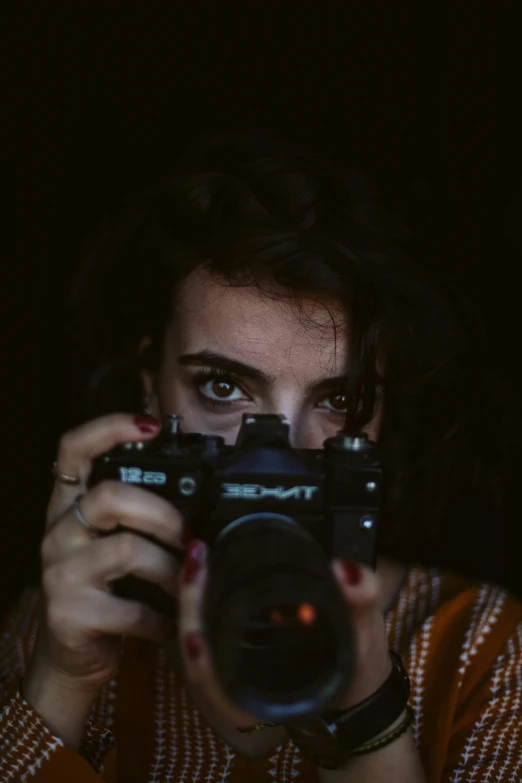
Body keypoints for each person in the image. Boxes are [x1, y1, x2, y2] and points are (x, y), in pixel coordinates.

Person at [1, 130, 520, 783]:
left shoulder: (479, 647)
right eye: (222, 387)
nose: (277, 454)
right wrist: (60, 683)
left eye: (339, 398)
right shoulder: (68, 620)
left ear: (382, 415)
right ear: (149, 383)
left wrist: (366, 722)